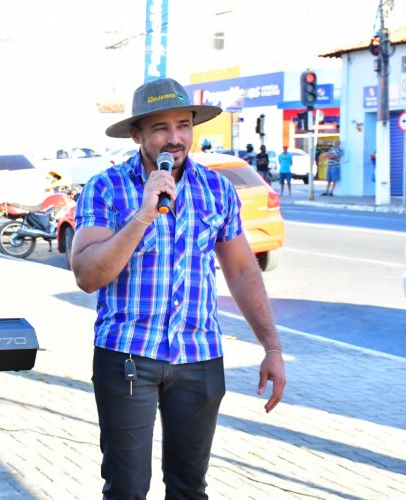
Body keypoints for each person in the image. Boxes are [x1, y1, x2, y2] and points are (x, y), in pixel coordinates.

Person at [70, 77, 286, 498]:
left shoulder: (217, 189)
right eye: (161, 128)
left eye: (183, 125)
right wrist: (142, 216)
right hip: (128, 354)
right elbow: (87, 275)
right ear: (137, 134)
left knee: (190, 487)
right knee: (127, 487)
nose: (175, 139)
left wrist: (272, 348)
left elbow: (242, 272)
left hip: (199, 356)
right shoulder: (106, 188)